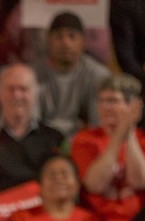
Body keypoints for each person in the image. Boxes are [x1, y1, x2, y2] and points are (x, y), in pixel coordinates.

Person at [70, 74, 145, 221]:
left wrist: (129, 131)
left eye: (112, 101)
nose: (105, 106)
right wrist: (119, 136)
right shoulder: (85, 139)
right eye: (101, 101)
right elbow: (95, 185)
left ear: (132, 106)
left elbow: (140, 182)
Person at [0, 63, 64, 195]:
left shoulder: (54, 138)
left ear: (35, 94)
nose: (17, 95)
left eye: (23, 89)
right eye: (10, 89)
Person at [32, 11, 110, 139]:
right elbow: (29, 124)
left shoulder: (97, 75)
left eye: (72, 36)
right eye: (59, 37)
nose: (66, 43)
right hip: (42, 143)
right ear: (48, 41)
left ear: (83, 42)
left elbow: (99, 124)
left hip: (83, 142)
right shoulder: (32, 74)